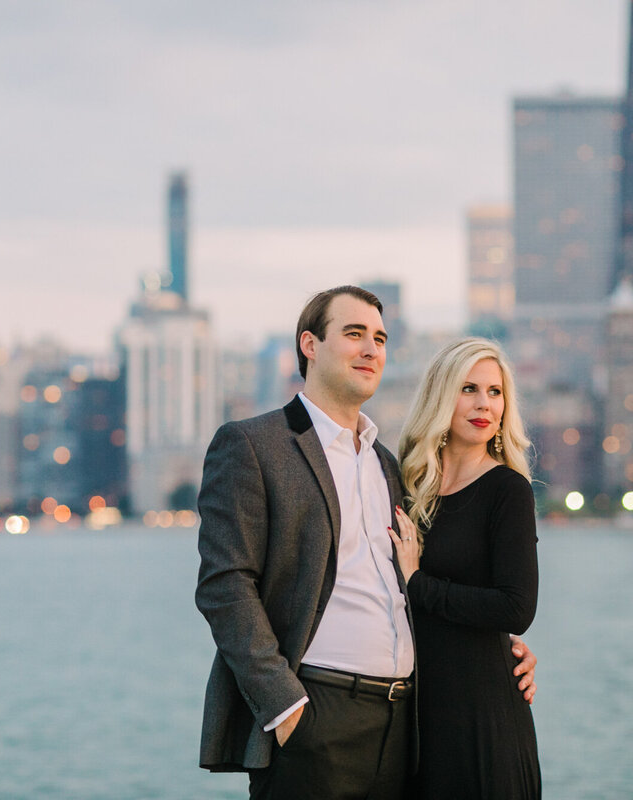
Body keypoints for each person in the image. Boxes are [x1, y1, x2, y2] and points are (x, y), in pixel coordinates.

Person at [194, 287, 537, 800]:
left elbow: (419, 583)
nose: (371, 348)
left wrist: (502, 647)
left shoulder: (389, 467)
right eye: (354, 334)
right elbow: (225, 585)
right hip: (316, 718)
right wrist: (286, 708)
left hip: (409, 727)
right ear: (310, 344)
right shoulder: (252, 445)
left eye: (379, 337)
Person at [389, 337, 541, 799]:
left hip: (482, 716)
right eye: (468, 389)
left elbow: (516, 609)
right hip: (414, 717)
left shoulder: (508, 490)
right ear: (441, 397)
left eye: (495, 392)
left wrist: (419, 583)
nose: (484, 405)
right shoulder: (408, 486)